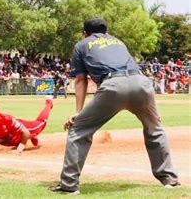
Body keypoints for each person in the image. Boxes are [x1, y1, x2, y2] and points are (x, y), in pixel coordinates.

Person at [51, 18, 180, 195]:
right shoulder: (118, 42)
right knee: (155, 129)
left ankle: (69, 185)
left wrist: (78, 113)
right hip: (142, 83)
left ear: (84, 33)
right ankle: (169, 180)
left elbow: (81, 80)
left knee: (78, 130)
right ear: (106, 31)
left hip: (114, 85)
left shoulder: (82, 44)